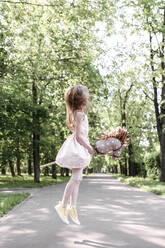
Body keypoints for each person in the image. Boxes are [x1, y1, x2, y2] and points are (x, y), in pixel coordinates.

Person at [54, 85, 94, 225]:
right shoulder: (78, 113)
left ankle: (73, 208)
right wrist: (89, 148)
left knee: (78, 179)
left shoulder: (79, 113)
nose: (88, 96)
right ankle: (63, 206)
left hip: (80, 147)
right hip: (78, 147)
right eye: (85, 94)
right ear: (80, 98)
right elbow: (78, 136)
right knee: (75, 178)